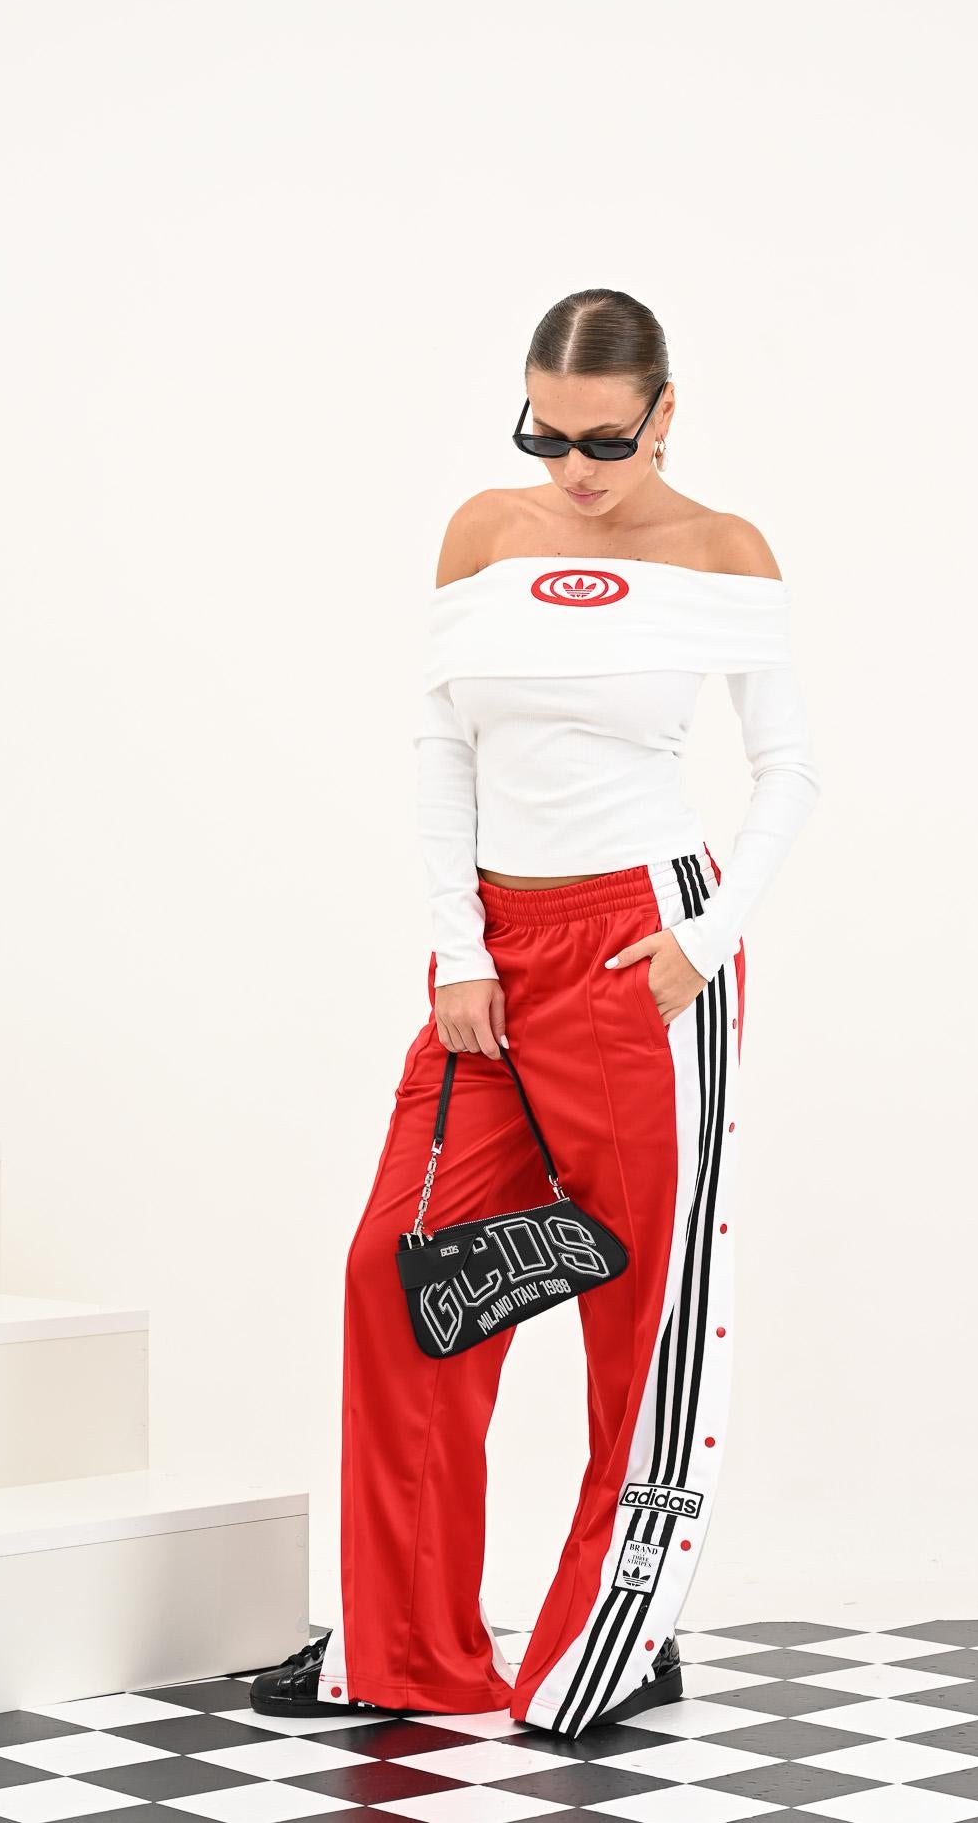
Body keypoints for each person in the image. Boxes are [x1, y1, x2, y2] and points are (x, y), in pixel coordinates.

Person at [251, 287, 821, 1736]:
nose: (573, 468)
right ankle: (399, 1647)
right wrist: (458, 946)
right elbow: (439, 742)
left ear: (664, 413)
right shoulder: (484, 535)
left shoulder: (723, 553)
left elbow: (789, 768)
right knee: (400, 1273)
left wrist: (703, 939)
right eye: (545, 434)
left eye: (604, 441)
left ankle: (619, 1630)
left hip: (644, 948)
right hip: (494, 954)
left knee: (642, 1313)